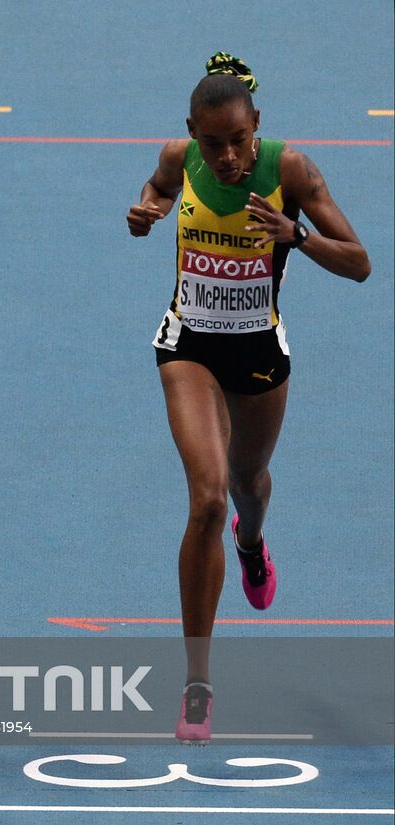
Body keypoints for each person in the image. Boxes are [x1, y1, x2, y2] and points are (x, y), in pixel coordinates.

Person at [126, 53, 369, 743]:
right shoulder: (181, 156)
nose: (226, 156)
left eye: (237, 140)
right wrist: (149, 211)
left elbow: (361, 262)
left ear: (255, 126)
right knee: (206, 495)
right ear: (192, 135)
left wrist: (298, 235)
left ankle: (253, 540)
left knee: (247, 485)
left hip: (259, 354)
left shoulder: (290, 171)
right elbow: (158, 184)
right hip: (189, 347)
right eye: (213, 143)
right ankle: (197, 680)